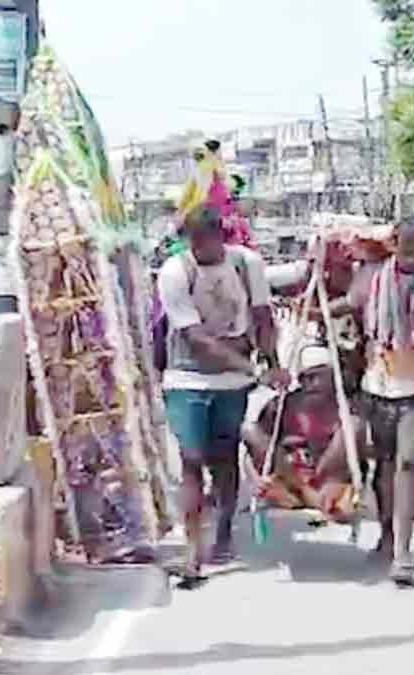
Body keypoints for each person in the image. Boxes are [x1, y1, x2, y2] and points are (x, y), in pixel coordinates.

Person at [157, 206, 287, 588]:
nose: (199, 247)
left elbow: (263, 317)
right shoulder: (174, 272)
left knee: (225, 457)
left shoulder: (247, 265)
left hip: (231, 384)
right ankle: (193, 551)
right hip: (187, 378)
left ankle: (224, 529)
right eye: (192, 241)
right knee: (192, 459)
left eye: (205, 239)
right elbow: (195, 339)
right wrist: (253, 369)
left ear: (221, 236)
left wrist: (272, 361)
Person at [333, 218, 414, 586]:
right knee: (384, 465)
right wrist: (311, 306)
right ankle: (387, 533)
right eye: (404, 246)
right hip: (378, 384)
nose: (410, 254)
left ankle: (403, 550)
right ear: (394, 245)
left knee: (407, 460)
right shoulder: (372, 277)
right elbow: (348, 304)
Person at [242, 344, 369, 524]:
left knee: (354, 426)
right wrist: (255, 479)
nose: (310, 383)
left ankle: (315, 497)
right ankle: (308, 495)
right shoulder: (282, 405)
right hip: (289, 480)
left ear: (333, 376)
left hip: (327, 481)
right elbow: (251, 450)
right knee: (249, 430)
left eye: (317, 376)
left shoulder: (346, 407)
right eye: (305, 378)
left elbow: (360, 459)